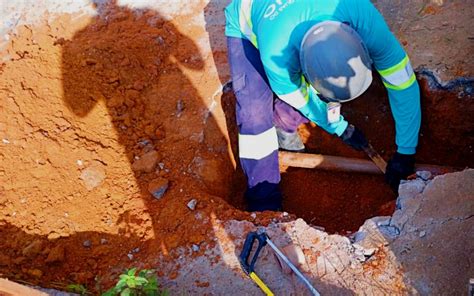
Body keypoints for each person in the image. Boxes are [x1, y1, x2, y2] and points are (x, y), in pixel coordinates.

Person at [224, 0, 421, 211]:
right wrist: (340, 128)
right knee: (254, 115)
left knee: (317, 92)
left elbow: (403, 82)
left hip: (292, 27)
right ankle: (264, 205)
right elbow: (305, 101)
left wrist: (405, 151)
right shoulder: (277, 57)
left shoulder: (360, 13)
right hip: (248, 24)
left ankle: (283, 119)